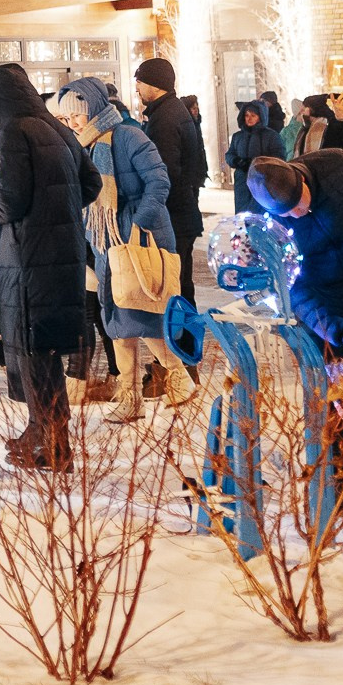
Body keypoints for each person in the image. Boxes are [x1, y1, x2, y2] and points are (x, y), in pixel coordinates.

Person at [0, 63, 100, 471]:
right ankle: (42, 431)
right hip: (62, 251)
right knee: (43, 348)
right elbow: (91, 183)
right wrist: (57, 208)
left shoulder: (15, 132)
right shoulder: (58, 129)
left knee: (31, 349)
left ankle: (52, 442)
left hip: (26, 257)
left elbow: (10, 199)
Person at [53, 79, 196, 422]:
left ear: (94, 107)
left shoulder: (129, 136)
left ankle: (179, 377)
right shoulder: (84, 146)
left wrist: (138, 223)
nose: (73, 123)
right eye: (67, 118)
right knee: (116, 317)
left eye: (77, 115)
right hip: (106, 240)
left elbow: (159, 181)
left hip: (140, 237)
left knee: (140, 311)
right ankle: (131, 396)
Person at [246, 148, 343, 350]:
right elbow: (292, 287)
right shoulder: (264, 224)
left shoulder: (338, 166)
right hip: (328, 302)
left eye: (298, 202)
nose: (297, 214)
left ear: (302, 179)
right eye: (287, 214)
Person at [130, 59, 206, 306]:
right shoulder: (169, 111)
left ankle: (182, 330)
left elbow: (164, 174)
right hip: (182, 213)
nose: (137, 88)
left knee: (175, 288)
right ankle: (186, 328)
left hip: (175, 216)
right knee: (181, 284)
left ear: (155, 84)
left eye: (140, 82)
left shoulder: (165, 119)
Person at [225, 99, 285, 214]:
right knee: (243, 214)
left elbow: (279, 157)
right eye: (246, 115)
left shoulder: (271, 136)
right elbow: (230, 154)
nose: (249, 118)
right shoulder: (238, 136)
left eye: (253, 115)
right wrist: (237, 161)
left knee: (260, 215)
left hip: (263, 182)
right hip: (242, 182)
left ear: (260, 116)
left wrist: (259, 165)